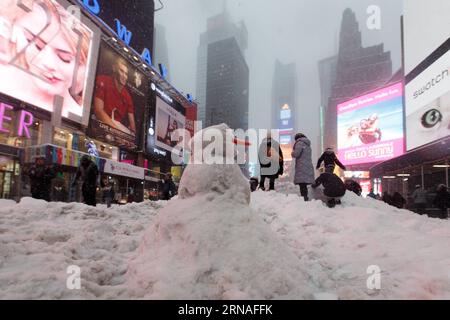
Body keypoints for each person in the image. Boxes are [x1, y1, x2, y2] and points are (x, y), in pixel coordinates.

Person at [0, 0, 92, 118]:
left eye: (65, 58)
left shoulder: (77, 113)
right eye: (36, 45)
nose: (47, 63)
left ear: (84, 67)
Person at [93, 57, 136, 135]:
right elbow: (98, 111)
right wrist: (117, 132)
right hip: (99, 122)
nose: (124, 76)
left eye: (126, 73)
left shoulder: (127, 96)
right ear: (114, 69)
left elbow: (132, 124)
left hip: (116, 126)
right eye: (121, 71)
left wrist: (131, 135)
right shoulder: (102, 80)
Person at [291, 133, 315, 201]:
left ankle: (304, 198)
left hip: (302, 166)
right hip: (307, 165)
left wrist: (292, 153)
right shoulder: (307, 145)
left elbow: (296, 154)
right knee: (303, 183)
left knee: (302, 183)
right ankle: (305, 196)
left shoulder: (299, 143)